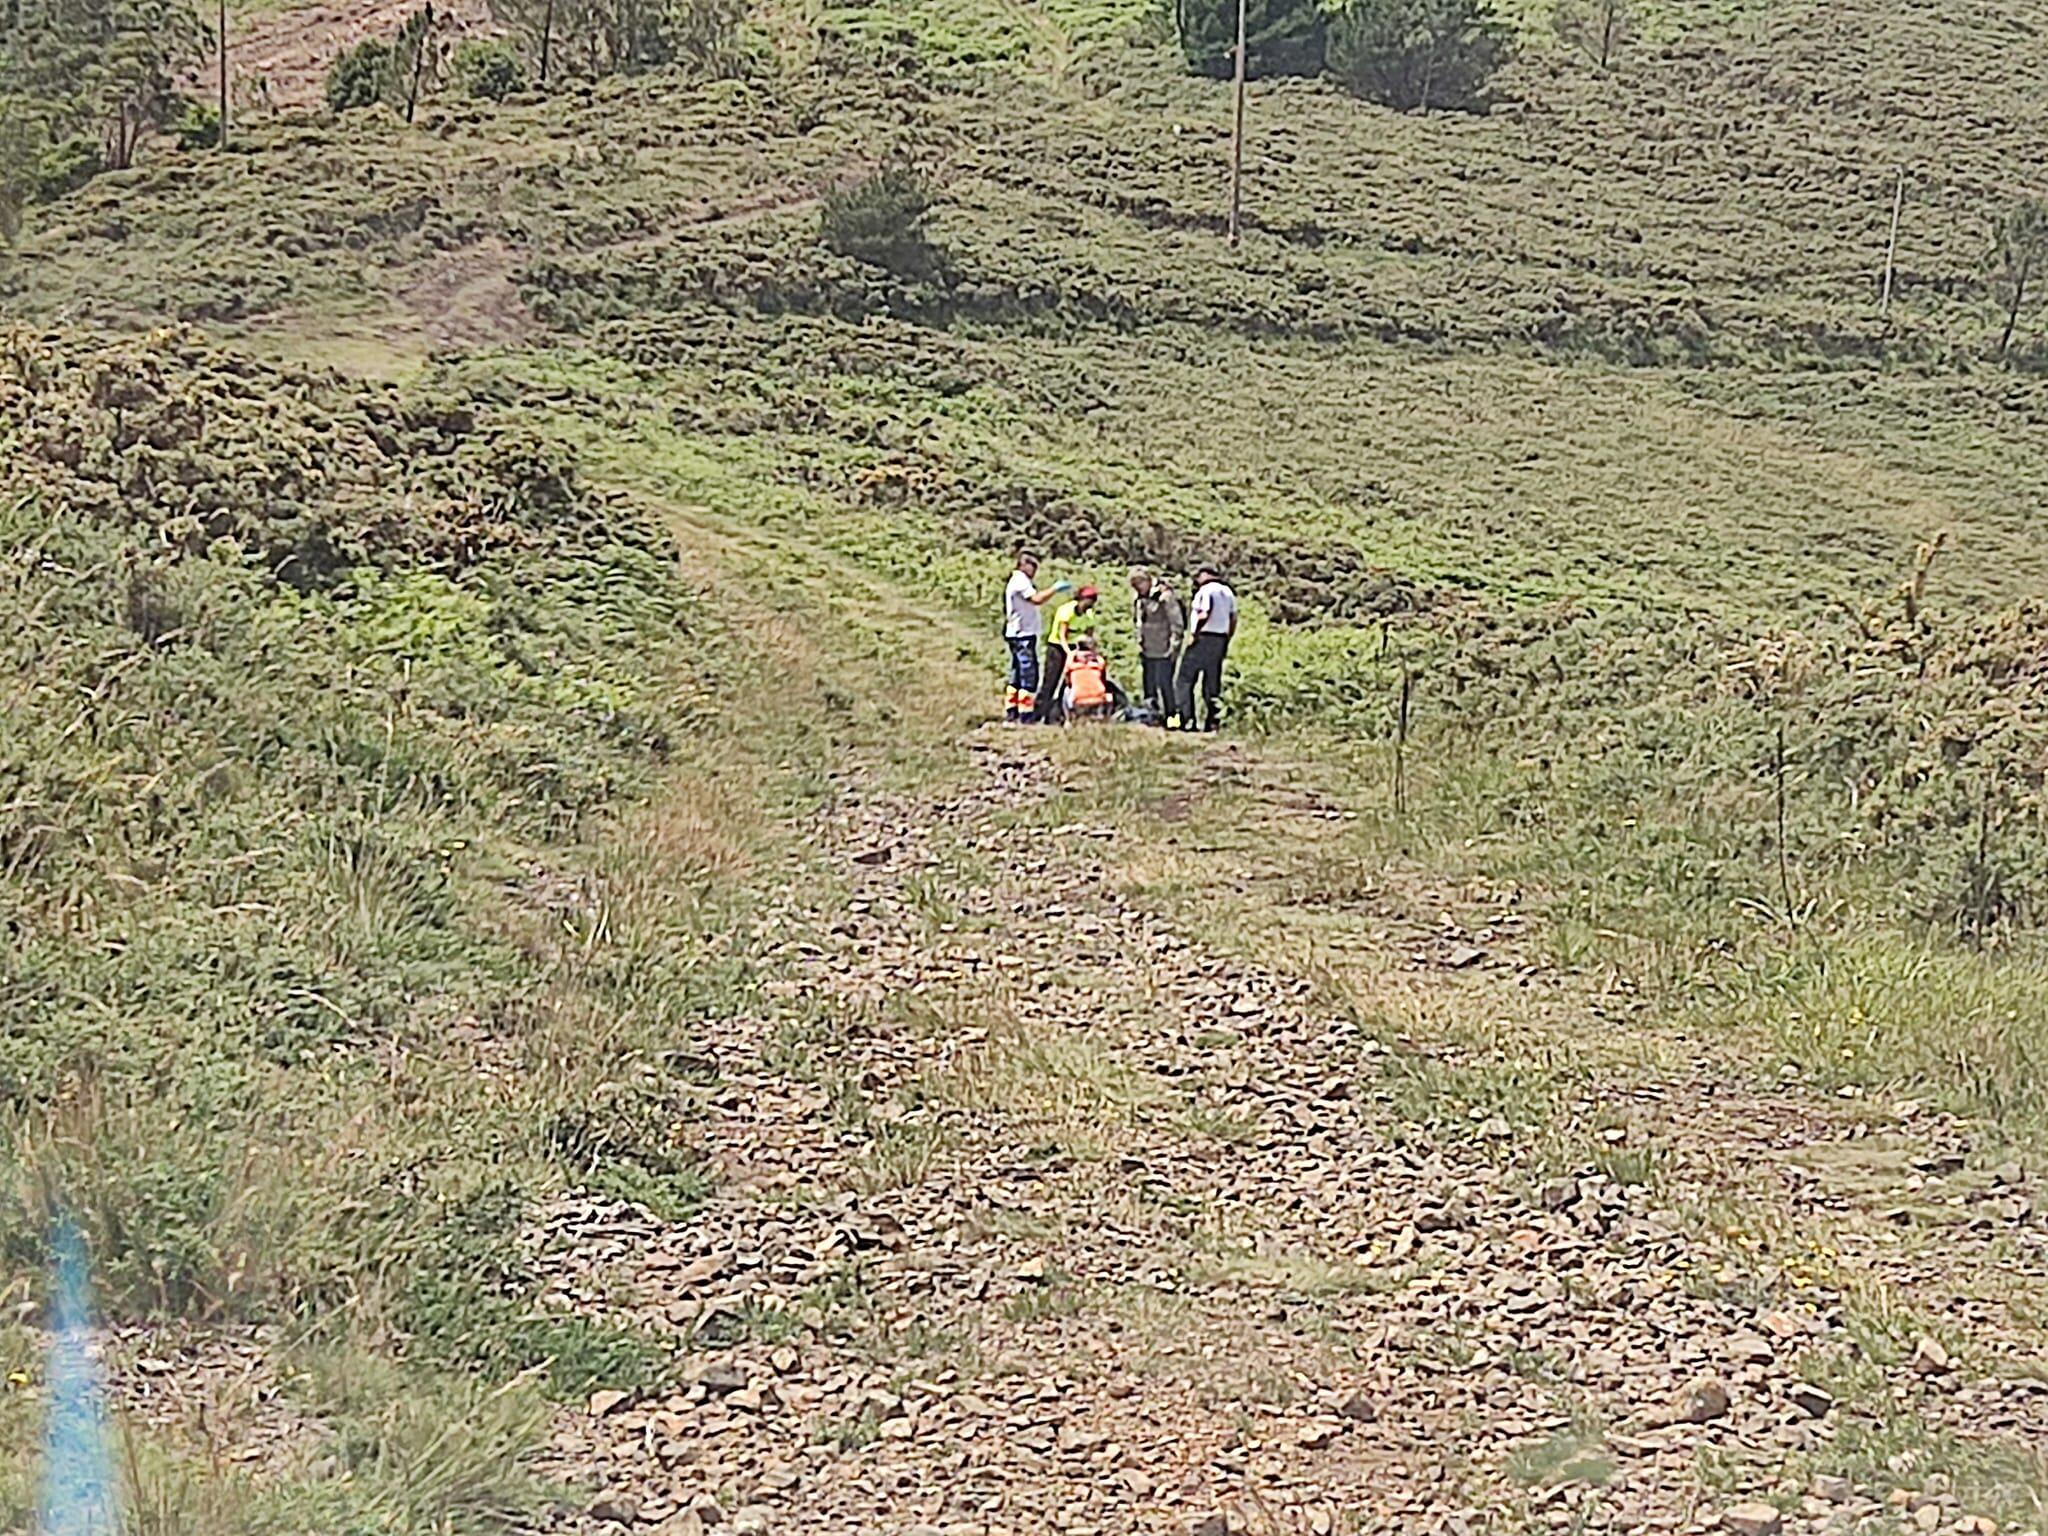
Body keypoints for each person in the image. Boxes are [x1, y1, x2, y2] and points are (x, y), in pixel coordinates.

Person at [1003, 550, 1068, 724]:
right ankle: (1025, 713)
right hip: (1023, 634)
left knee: (1016, 674)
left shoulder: (1015, 581)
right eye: (1033, 568)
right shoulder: (1020, 581)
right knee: (1028, 674)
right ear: (1024, 565)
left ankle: (1012, 710)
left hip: (1016, 632)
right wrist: (1055, 589)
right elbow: (1036, 599)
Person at [1176, 564, 1237, 732]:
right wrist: (1227, 637)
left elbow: (1204, 613)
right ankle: (1213, 722)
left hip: (1203, 637)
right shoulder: (1228, 592)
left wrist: (1194, 634)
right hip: (1220, 639)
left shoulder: (1205, 591)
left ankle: (1186, 720)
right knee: (1212, 682)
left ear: (1206, 575)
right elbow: (1233, 618)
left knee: (1184, 679)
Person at [1035, 583, 1099, 723]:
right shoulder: (1067, 611)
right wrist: (1069, 653)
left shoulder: (1088, 614)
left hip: (1075, 647)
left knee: (1069, 683)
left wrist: (1091, 652)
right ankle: (1039, 713)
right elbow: (1062, 636)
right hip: (1058, 647)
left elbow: (1089, 635)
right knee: (1051, 681)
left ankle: (1059, 714)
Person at [1129, 568, 1185, 726]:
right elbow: (1139, 622)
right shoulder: (1139, 598)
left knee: (1166, 685)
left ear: (1146, 581)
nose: (1137, 588)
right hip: (1147, 647)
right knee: (1149, 685)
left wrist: (1174, 646)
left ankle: (1173, 721)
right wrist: (1139, 642)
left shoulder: (1165, 596)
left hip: (1164, 648)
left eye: (1138, 584)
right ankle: (1152, 717)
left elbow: (1176, 622)